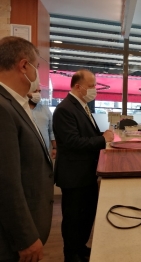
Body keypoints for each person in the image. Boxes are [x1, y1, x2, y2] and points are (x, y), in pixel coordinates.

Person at [0, 36, 54, 262]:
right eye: (37, 67)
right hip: (13, 241)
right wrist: (25, 237)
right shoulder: (3, 108)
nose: (38, 75)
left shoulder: (17, 103)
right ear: (23, 66)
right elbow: (6, 181)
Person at [53, 69, 114, 262]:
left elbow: (85, 135)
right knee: (73, 220)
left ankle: (81, 248)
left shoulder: (82, 106)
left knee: (86, 216)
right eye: (92, 86)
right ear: (78, 87)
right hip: (74, 175)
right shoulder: (65, 109)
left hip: (86, 173)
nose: (95, 89)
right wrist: (102, 140)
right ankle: (71, 255)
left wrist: (99, 136)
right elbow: (73, 142)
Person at [27, 87, 57, 159]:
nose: (37, 94)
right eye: (35, 91)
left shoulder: (45, 109)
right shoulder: (20, 108)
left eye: (39, 91)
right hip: (25, 153)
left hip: (44, 153)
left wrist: (55, 148)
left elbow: (52, 130)